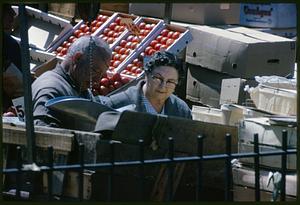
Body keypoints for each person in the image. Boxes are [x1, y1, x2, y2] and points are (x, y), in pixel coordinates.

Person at [31, 35, 112, 127]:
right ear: (77, 58)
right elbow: (44, 135)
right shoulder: (51, 89)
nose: (97, 81)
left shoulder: (77, 84)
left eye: (102, 75)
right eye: (95, 71)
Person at [107, 51, 192, 119]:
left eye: (170, 82)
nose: (163, 86)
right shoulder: (118, 104)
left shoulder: (182, 111)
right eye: (158, 78)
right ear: (146, 75)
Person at [2, 4, 23, 113]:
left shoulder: (9, 45)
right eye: (6, 9)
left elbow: (20, 91)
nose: (14, 14)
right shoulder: (9, 45)